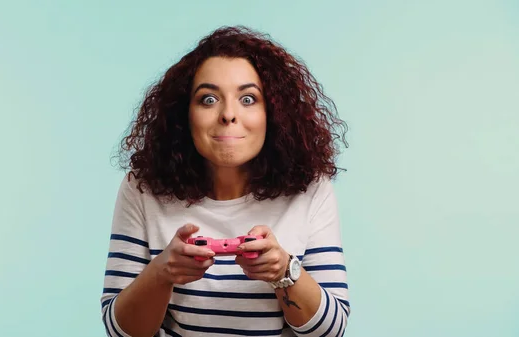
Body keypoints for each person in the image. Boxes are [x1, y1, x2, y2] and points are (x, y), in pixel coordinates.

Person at [100, 25, 351, 337]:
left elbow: (330, 331)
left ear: (273, 113)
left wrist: (284, 271)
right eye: (208, 99)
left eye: (248, 99)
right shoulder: (143, 188)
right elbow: (120, 332)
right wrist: (162, 273)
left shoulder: (311, 189)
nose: (228, 114)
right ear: (183, 115)